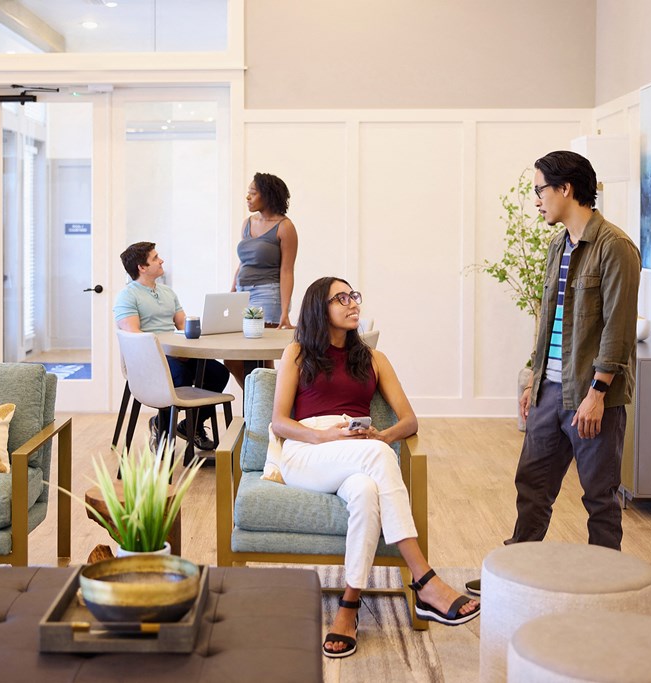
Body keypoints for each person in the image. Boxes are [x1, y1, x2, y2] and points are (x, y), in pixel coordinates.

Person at [271, 277, 479, 659]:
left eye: (354, 297)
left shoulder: (373, 358)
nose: (353, 304)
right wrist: (326, 437)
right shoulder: (297, 353)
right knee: (380, 458)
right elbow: (280, 422)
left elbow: (410, 421)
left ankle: (348, 608)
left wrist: (381, 437)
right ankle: (425, 580)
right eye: (342, 298)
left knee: (368, 492)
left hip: (359, 450)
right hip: (307, 450)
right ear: (320, 307)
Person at [507, 150, 641, 551]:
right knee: (532, 486)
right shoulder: (557, 245)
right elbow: (547, 319)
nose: (536, 200)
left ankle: (607, 584)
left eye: (540, 190)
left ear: (566, 188)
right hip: (549, 391)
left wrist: (597, 394)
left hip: (591, 396)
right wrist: (534, 378)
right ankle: (519, 570)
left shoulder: (615, 247)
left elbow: (618, 330)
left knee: (599, 497)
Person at [114, 241, 230, 452]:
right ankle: (163, 427)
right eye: (155, 258)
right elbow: (133, 336)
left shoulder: (168, 292)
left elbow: (181, 323)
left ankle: (190, 426)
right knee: (178, 377)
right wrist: (169, 352)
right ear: (142, 267)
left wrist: (195, 334)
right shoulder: (127, 296)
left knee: (219, 373)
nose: (161, 260)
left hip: (177, 352)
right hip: (149, 358)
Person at [227, 172, 299, 387]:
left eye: (252, 193)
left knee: (259, 358)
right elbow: (243, 263)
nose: (247, 198)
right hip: (243, 292)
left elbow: (287, 271)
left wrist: (285, 312)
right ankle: (263, 405)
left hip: (268, 294)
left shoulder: (285, 227)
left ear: (267, 196)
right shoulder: (247, 224)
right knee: (232, 359)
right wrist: (231, 293)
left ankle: (265, 410)